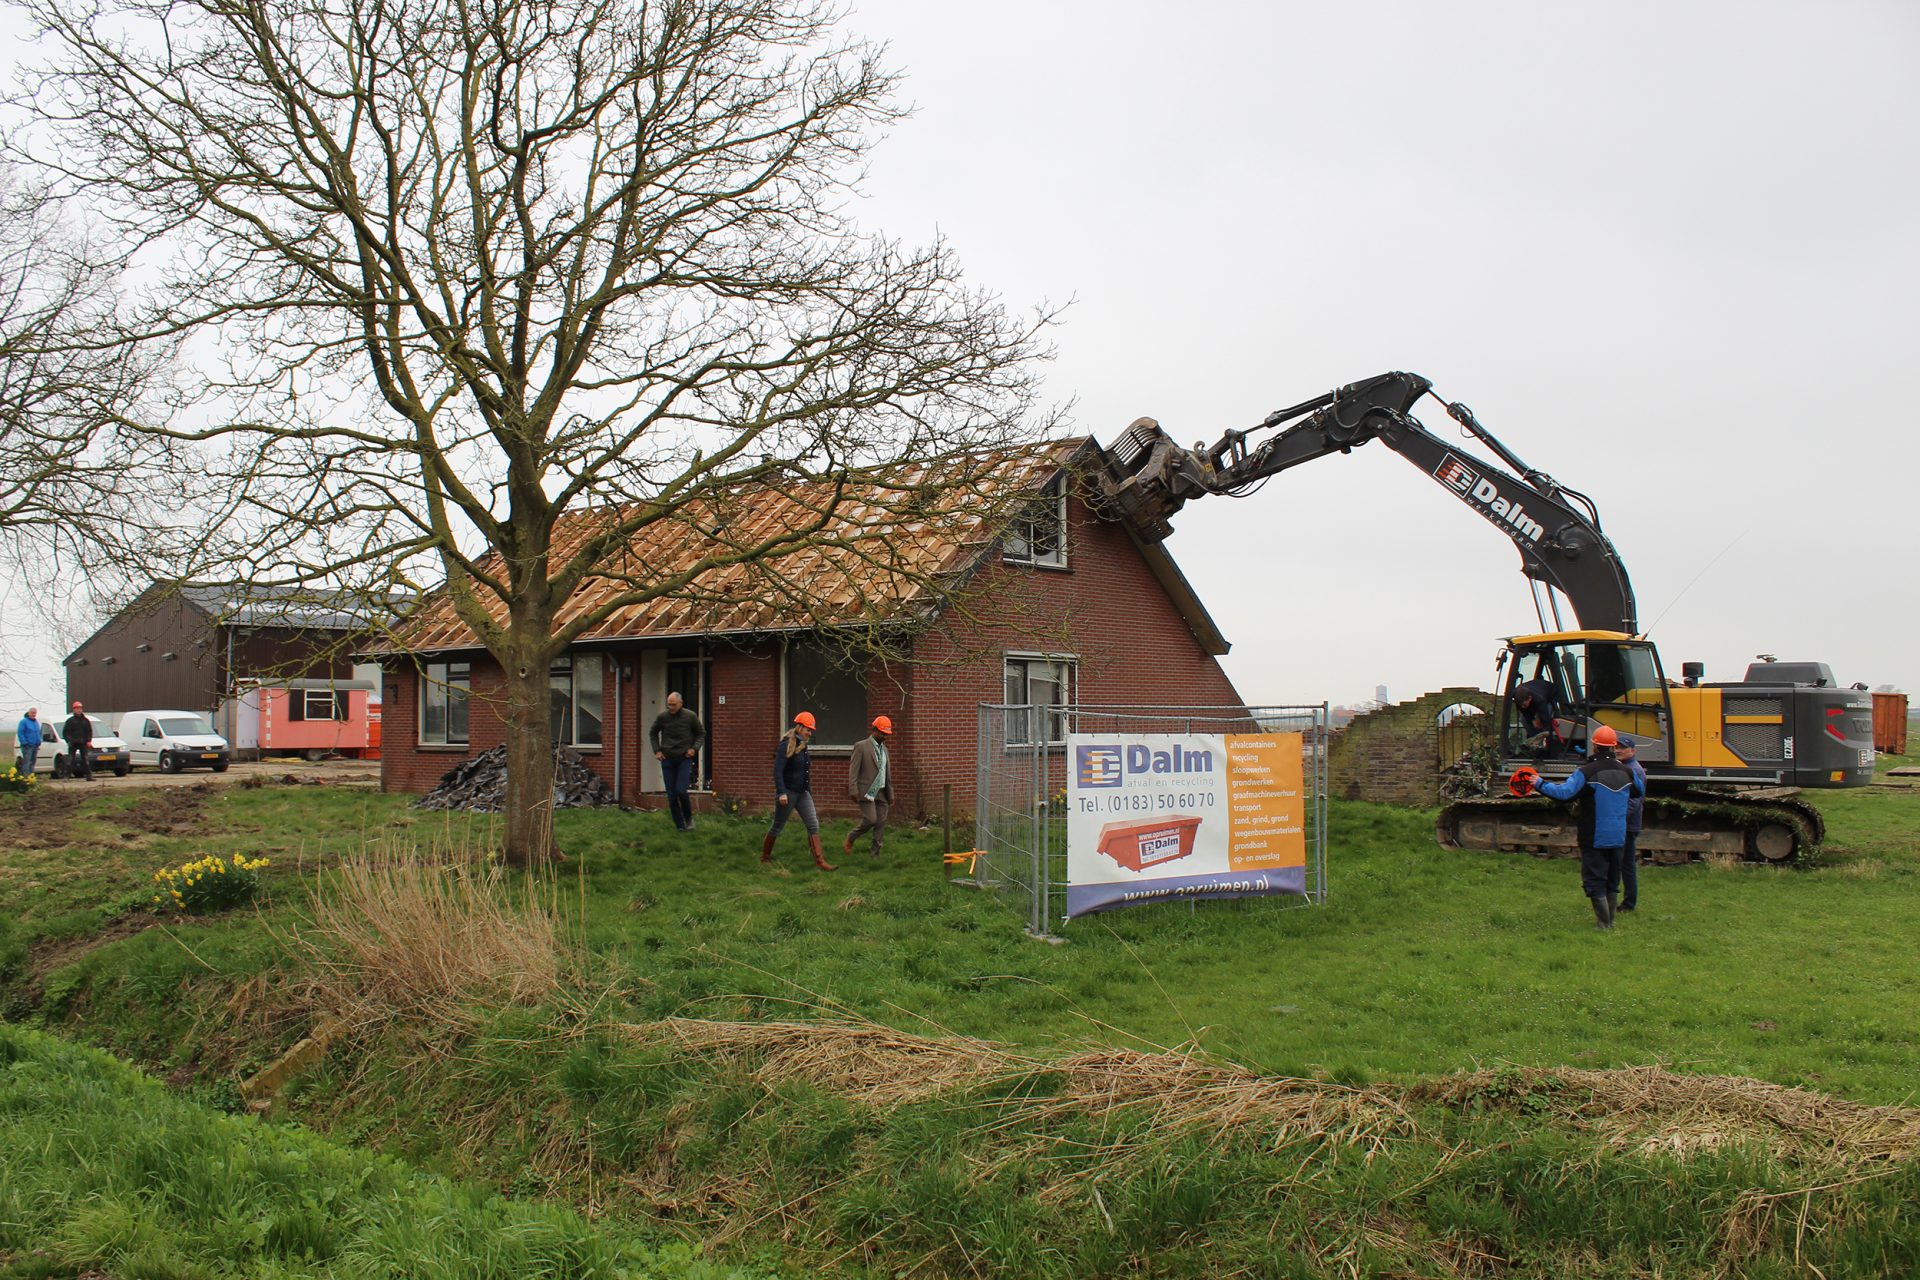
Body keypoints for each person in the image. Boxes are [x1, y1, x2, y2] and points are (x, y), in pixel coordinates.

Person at [1526, 723, 1642, 930]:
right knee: (1613, 880)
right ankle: (1611, 923)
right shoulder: (1627, 771)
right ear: (1613, 747)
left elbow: (1564, 794)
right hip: (1619, 835)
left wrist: (1540, 783)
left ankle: (1603, 925)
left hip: (1594, 835)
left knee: (1594, 879)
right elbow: (1638, 791)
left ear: (1594, 747)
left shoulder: (1587, 771)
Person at [762, 711, 835, 871]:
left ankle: (819, 861)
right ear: (799, 727)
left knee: (813, 824)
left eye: (811, 730)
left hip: (803, 793)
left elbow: (805, 772)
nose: (809, 733)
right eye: (807, 729)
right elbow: (777, 771)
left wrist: (808, 791)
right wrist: (781, 792)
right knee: (778, 826)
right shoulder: (785, 745)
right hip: (787, 793)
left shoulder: (803, 746)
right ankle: (765, 857)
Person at [650, 691, 705, 831]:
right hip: (667, 759)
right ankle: (680, 827)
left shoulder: (690, 716)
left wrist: (694, 748)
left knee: (681, 790)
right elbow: (653, 732)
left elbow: (701, 733)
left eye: (673, 705)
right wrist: (656, 750)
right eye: (669, 705)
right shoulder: (662, 717)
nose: (671, 707)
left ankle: (688, 818)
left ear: (681, 704)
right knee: (672, 795)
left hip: (684, 758)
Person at [845, 714, 895, 858]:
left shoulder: (885, 750)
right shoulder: (861, 746)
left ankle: (875, 854)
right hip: (866, 791)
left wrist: (890, 794)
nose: (885, 736)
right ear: (875, 730)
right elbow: (853, 770)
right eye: (883, 733)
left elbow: (887, 773)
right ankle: (851, 837)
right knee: (871, 820)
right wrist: (853, 789)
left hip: (882, 792)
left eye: (887, 734)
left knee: (880, 823)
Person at [1613, 735, 1646, 912]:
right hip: (1625, 823)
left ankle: (1628, 903)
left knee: (1625, 865)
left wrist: (1616, 817)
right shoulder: (1624, 767)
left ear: (1633, 751)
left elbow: (1634, 802)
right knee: (1624, 864)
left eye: (1622, 747)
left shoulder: (1635, 770)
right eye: (1616, 747)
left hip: (1628, 825)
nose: (1618, 750)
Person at [1511, 677, 1561, 750]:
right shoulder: (1516, 696)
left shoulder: (1540, 699)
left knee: (1545, 718)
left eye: (1524, 704)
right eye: (1520, 705)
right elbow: (1524, 711)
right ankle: (1535, 740)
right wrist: (1532, 720)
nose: (1522, 707)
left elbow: (1545, 719)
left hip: (1551, 694)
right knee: (1523, 719)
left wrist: (1545, 731)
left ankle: (1548, 746)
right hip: (1537, 692)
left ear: (1530, 698)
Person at [61, 701, 95, 781]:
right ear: (74, 710)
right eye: (77, 708)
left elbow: (89, 731)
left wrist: (89, 741)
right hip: (73, 743)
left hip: (83, 743)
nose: (79, 710)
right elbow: (65, 732)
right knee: (70, 760)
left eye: (80, 708)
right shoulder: (70, 721)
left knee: (85, 760)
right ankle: (66, 776)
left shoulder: (86, 721)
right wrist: (68, 741)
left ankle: (89, 776)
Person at [15, 707, 45, 776]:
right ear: (28, 713)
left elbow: (38, 733)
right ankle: (26, 777)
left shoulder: (36, 722)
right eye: (32, 713)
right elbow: (20, 733)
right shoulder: (24, 722)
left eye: (35, 713)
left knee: (33, 762)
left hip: (35, 745)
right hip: (27, 746)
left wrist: (39, 741)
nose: (33, 714)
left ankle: (31, 776)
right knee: (27, 762)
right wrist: (24, 742)